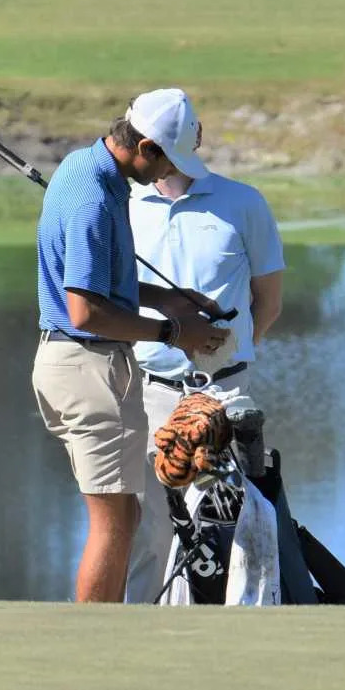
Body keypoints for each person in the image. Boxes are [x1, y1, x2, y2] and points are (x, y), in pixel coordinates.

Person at [31, 88, 231, 603]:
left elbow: (100, 281)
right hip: (87, 365)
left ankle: (106, 638)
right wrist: (174, 334)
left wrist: (168, 299)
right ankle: (92, 649)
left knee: (127, 514)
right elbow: (85, 311)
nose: (167, 174)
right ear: (144, 145)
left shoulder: (91, 170)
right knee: (115, 520)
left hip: (79, 363)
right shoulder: (94, 194)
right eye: (166, 161)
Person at [124, 88, 285, 604]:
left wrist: (226, 361)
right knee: (148, 533)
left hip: (224, 394)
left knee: (224, 526)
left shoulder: (244, 203)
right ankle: (138, 645)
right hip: (147, 390)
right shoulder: (123, 205)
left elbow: (269, 302)